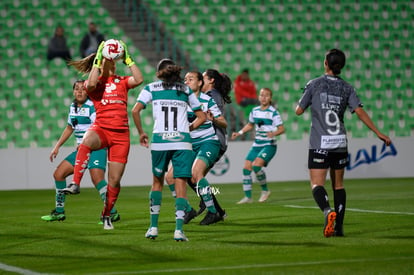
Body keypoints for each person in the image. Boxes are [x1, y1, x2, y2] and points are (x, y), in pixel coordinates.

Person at [295, 48, 392, 237]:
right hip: (340, 142)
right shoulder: (347, 87)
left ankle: (327, 211)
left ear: (326, 63)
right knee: (338, 185)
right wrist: (378, 133)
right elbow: (360, 111)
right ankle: (339, 227)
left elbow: (298, 111)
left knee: (316, 184)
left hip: (320, 143)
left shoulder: (314, 84)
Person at [63, 40, 144, 230]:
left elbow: (139, 79)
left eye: (114, 60)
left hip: (121, 135)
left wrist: (129, 59)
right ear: (101, 63)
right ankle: (75, 183)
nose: (113, 62)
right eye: (110, 60)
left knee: (115, 180)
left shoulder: (122, 81)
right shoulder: (95, 84)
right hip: (102, 129)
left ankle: (106, 214)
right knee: (86, 141)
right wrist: (99, 59)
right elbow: (89, 83)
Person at [131, 59, 206, 241]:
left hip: (160, 142)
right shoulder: (185, 90)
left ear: (159, 72)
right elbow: (202, 116)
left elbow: (135, 111)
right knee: (181, 185)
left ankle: (153, 228)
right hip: (182, 142)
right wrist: (190, 128)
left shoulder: (151, 88)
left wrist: (141, 133)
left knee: (157, 183)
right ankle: (179, 230)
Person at [41, 80, 120, 222]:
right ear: (73, 92)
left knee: (97, 179)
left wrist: (87, 140)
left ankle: (112, 212)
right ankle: (59, 212)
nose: (79, 92)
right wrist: (57, 146)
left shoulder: (92, 106)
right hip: (81, 150)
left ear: (87, 91)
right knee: (59, 175)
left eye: (83, 89)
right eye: (77, 89)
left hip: (96, 148)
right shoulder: (73, 107)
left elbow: (98, 126)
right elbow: (69, 127)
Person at [165, 71, 228, 225]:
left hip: (208, 142)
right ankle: (186, 209)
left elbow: (224, 123)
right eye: (185, 79)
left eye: (191, 79)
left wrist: (214, 120)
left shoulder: (207, 100)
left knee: (196, 174)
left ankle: (214, 212)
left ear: (200, 83)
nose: (187, 81)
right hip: (188, 145)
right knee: (170, 177)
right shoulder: (181, 101)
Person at [231, 87, 285, 204]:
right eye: (261, 95)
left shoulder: (273, 112)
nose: (263, 97)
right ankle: (248, 197)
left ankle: (265, 191)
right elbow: (250, 125)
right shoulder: (255, 111)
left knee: (256, 166)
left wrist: (273, 133)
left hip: (269, 145)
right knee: (246, 168)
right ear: (258, 97)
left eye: (266, 95)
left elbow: (282, 129)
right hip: (257, 144)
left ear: (270, 98)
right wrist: (239, 132)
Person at [193, 69, 232, 217]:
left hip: (213, 140)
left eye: (203, 78)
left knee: (195, 175)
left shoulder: (211, 96)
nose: (201, 80)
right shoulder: (212, 95)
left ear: (211, 81)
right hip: (212, 139)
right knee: (195, 176)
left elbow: (214, 119)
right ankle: (214, 208)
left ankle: (212, 208)